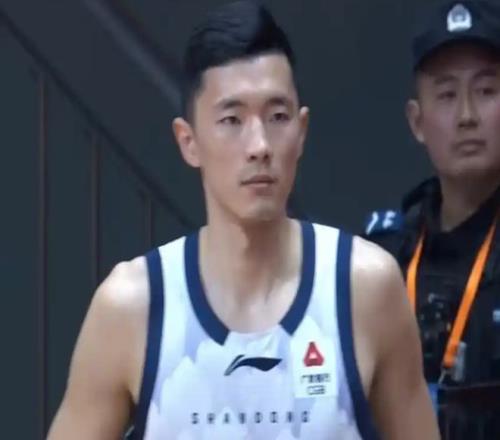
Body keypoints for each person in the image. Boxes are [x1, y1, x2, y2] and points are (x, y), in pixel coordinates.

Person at [47, 1, 438, 439]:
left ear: (302, 131)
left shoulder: (363, 288)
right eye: (232, 120)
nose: (259, 145)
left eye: (277, 117)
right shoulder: (132, 307)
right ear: (188, 141)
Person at [364, 0, 500, 437]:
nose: (467, 116)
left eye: (486, 91)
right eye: (446, 95)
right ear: (417, 121)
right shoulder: (383, 257)